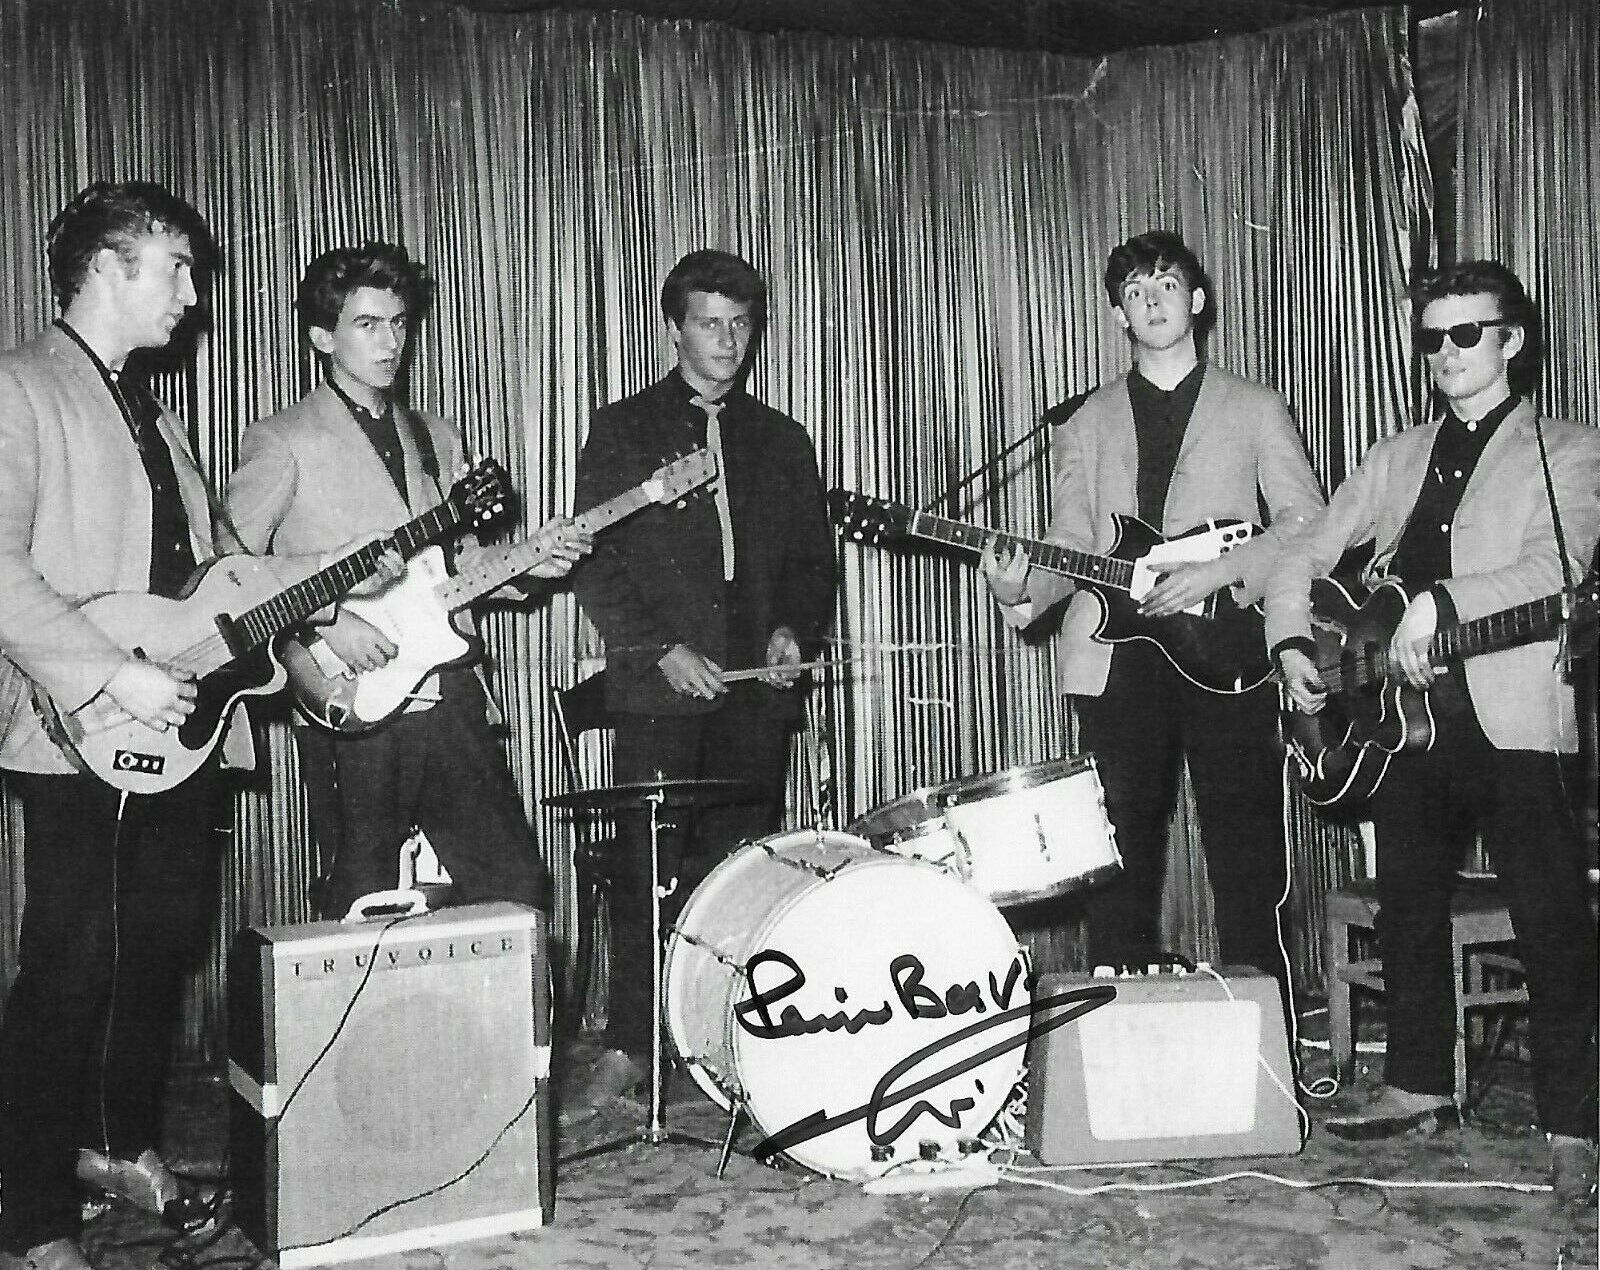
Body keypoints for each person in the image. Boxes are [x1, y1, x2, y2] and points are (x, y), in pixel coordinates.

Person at [1270, 260, 1599, 1207]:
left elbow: (1558, 569)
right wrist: (1292, 634)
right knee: (1408, 897)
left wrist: (1439, 605)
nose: (1446, 354)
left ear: (1513, 340)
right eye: (1431, 337)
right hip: (1397, 722)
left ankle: (1572, 1120)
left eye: (1467, 334)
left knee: (1551, 917)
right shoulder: (1396, 454)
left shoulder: (1569, 452)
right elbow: (1308, 548)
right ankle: (1419, 1082)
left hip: (1507, 713)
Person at [0, 182, 248, 1270]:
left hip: (175, 733)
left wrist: (353, 588)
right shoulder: (20, 389)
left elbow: (211, 579)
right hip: (77, 727)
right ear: (106, 268)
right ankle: (29, 1216)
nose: (192, 296)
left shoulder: (156, 414)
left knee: (154, 947)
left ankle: (111, 1144)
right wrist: (109, 670)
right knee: (71, 962)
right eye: (176, 269)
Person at [980, 229, 1324, 988]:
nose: (1151, 301)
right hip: (1115, 657)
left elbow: (1307, 522)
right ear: (1117, 317)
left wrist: (1219, 574)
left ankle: (1263, 1038)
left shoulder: (1257, 406)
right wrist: (1019, 589)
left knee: (1244, 845)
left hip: (1223, 644)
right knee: (1118, 853)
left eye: (1166, 285)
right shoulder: (1082, 421)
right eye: (1134, 292)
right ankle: (1115, 1031)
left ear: (1197, 301)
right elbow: (1071, 539)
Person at [225, 242, 588, 920]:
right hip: (349, 698)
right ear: (321, 336)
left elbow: (464, 567)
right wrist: (326, 621)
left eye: (399, 323)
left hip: (448, 694)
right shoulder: (282, 440)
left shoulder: (436, 436)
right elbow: (230, 569)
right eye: (367, 324)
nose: (391, 342)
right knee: (361, 895)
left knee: (515, 887)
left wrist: (530, 566)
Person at [570, 249, 835, 1112]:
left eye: (740, 324)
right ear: (673, 327)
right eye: (709, 323)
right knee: (651, 869)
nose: (727, 340)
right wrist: (656, 652)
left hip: (756, 696)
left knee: (736, 875)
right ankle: (631, 1042)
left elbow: (810, 565)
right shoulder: (621, 431)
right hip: (657, 694)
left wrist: (795, 628)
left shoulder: (781, 439)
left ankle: (728, 1037)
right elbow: (597, 569)